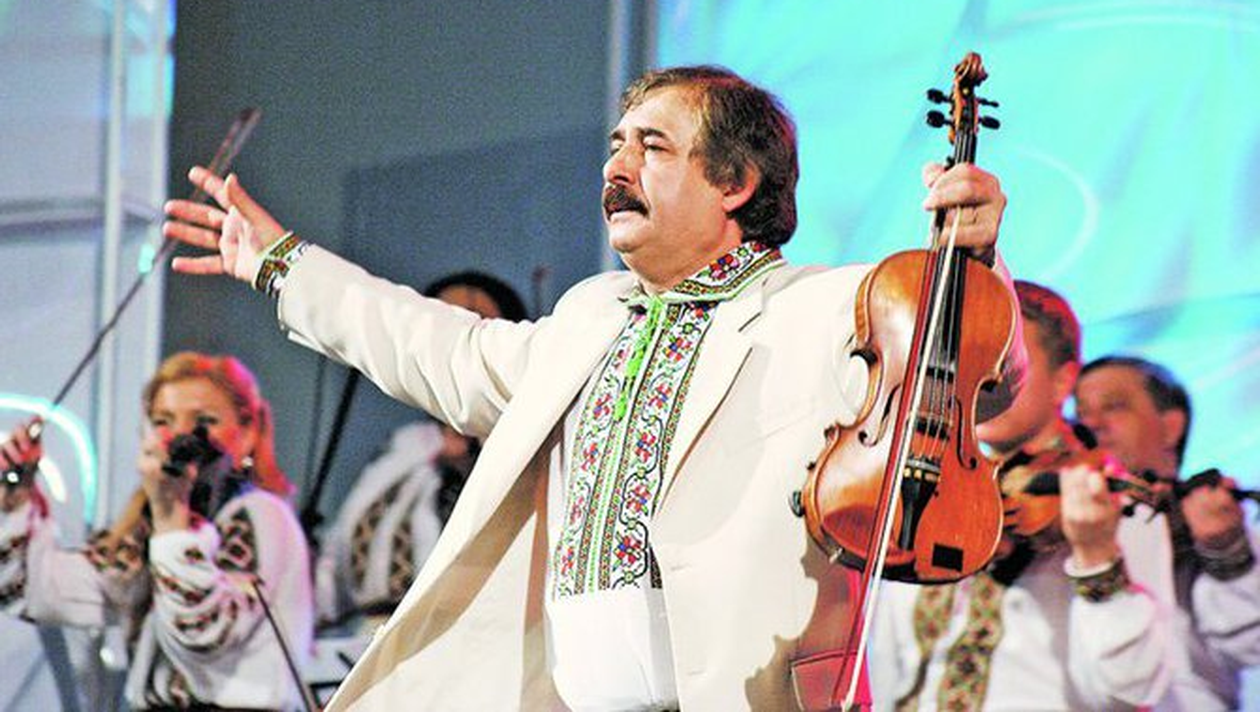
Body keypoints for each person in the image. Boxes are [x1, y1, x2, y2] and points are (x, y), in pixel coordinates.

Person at [163, 65, 1026, 711]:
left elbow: (977, 383)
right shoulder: (592, 315)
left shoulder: (826, 305)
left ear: (735, 183)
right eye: (616, 145)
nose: (618, 167)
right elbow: (438, 347)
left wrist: (977, 259)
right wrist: (282, 265)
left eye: (653, 147)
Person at [868, 281, 1174, 710]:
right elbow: (885, 664)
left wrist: (1097, 556)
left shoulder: (1116, 503)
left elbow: (1134, 688)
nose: (985, 382)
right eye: (971, 361)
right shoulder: (928, 491)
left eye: (1008, 364)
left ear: (1063, 381)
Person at [0, 351, 313, 710]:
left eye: (204, 421)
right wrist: (15, 497)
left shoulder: (260, 516)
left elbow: (203, 632)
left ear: (248, 432)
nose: (181, 436)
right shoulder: (150, 530)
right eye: (163, 421)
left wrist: (171, 516)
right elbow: (37, 592)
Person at [317, 271, 528, 625]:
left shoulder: (518, 443)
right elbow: (340, 550)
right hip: (375, 634)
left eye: (474, 322)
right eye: (442, 321)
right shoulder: (407, 447)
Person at [1075, 356, 1260, 710]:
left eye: (1113, 407)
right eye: (1081, 412)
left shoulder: (1216, 515)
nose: (1091, 424)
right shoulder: (1058, 520)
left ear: (1171, 426)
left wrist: (1226, 551)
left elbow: (1251, 647)